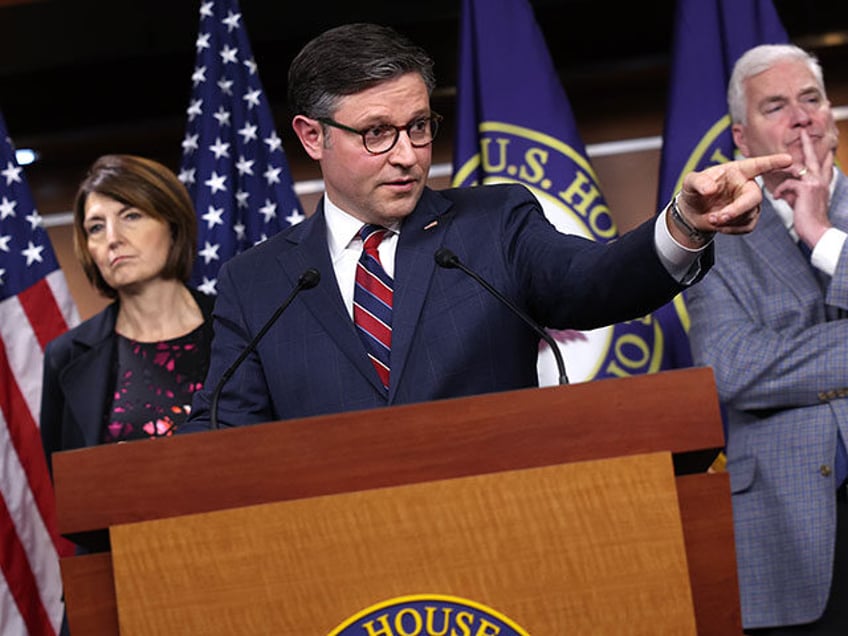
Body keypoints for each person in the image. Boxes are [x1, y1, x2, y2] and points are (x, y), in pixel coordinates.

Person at [184, 23, 789, 431]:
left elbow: (596, 278)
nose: (407, 155)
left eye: (419, 126)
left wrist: (683, 224)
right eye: (377, 133)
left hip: (497, 536)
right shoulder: (258, 282)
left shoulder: (493, 225)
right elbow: (225, 431)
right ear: (312, 136)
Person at [685, 44, 848, 634]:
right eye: (775, 106)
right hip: (787, 525)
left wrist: (822, 235)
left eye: (811, 99)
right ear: (742, 140)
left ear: (831, 115)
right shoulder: (712, 242)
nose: (801, 117)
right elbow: (731, 369)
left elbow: (765, 361)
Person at [40, 154, 215, 477]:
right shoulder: (65, 356)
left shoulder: (241, 327)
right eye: (95, 227)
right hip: (131, 528)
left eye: (131, 216)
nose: (112, 239)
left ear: (172, 226)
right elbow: (70, 492)